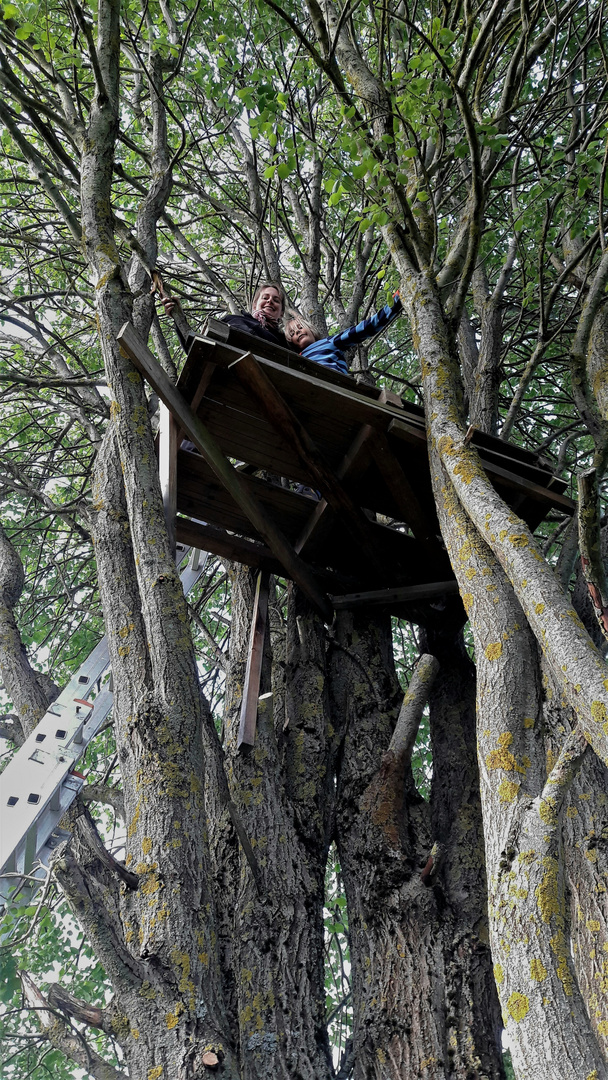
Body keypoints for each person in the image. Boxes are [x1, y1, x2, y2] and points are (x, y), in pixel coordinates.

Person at [283, 292, 403, 375]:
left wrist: (395, 301)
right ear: (291, 342)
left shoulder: (329, 342)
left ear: (311, 330)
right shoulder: (296, 358)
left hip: (334, 382)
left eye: (300, 327)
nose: (298, 331)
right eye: (292, 333)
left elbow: (364, 329)